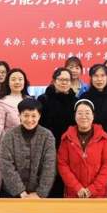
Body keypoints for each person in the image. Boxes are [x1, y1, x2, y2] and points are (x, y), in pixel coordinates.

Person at [0, 99, 56, 198]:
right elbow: (5, 164)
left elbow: (49, 166)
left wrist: (40, 193)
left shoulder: (47, 136)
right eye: (26, 115)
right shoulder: (9, 135)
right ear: (19, 115)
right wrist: (19, 191)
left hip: (38, 195)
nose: (29, 120)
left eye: (33, 116)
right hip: (12, 193)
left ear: (39, 116)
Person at [57, 99, 107, 198]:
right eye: (80, 113)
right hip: (73, 193)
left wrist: (92, 189)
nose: (83, 116)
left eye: (87, 113)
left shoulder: (103, 138)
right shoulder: (66, 138)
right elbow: (62, 165)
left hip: (99, 194)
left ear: (93, 115)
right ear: (75, 116)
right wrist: (77, 187)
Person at [38, 67, 77, 198]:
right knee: (48, 180)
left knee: (67, 181)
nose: (64, 82)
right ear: (54, 81)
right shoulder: (43, 99)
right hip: (48, 147)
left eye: (67, 80)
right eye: (61, 79)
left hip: (70, 147)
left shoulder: (76, 101)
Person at [82, 64, 107, 138]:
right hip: (89, 138)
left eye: (102, 76)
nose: (99, 79)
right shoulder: (85, 97)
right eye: (96, 76)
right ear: (91, 78)